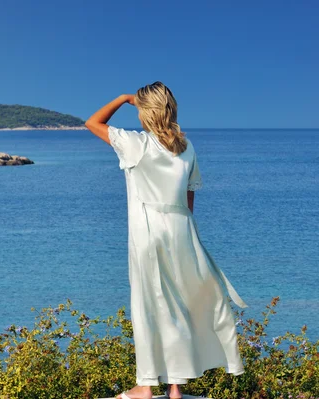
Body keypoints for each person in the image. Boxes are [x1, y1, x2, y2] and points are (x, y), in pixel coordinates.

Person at [84, 82, 248, 399]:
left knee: (149, 306)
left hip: (148, 231)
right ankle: (175, 387)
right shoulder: (186, 147)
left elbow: (93, 123)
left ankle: (146, 386)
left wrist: (122, 98)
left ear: (145, 111)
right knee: (182, 305)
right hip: (182, 230)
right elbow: (189, 200)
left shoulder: (136, 144)